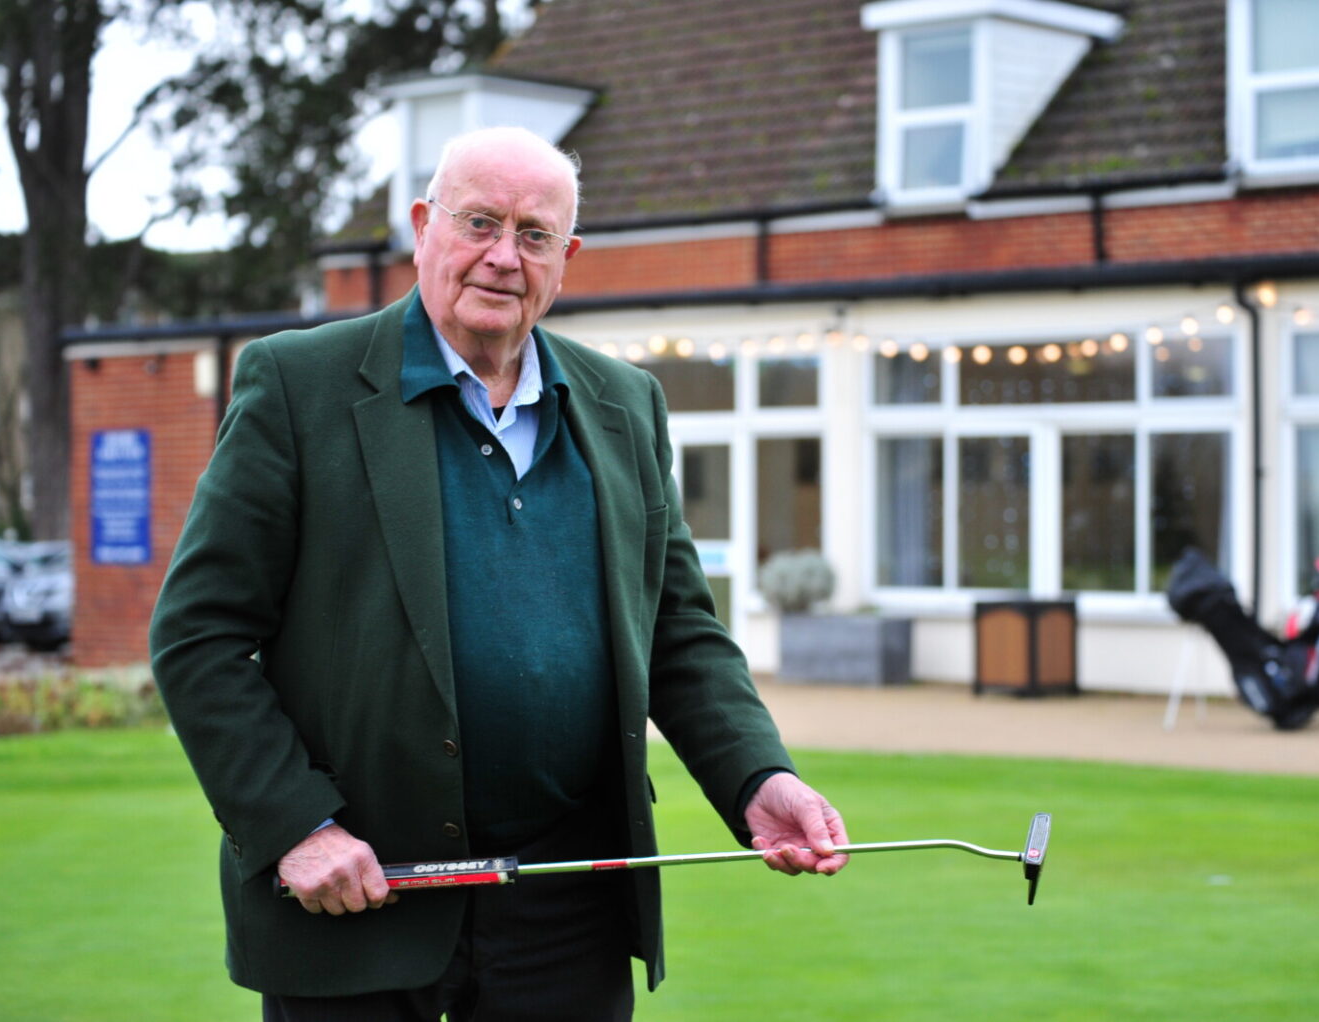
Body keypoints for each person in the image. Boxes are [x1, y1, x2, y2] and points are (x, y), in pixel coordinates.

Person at [149, 125, 849, 1021]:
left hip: (567, 900)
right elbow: (200, 633)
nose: (502, 257)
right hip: (361, 891)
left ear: (568, 258)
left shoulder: (625, 405)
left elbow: (677, 631)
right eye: (479, 222)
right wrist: (295, 825)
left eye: (533, 234)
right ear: (421, 227)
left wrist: (760, 777)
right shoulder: (298, 386)